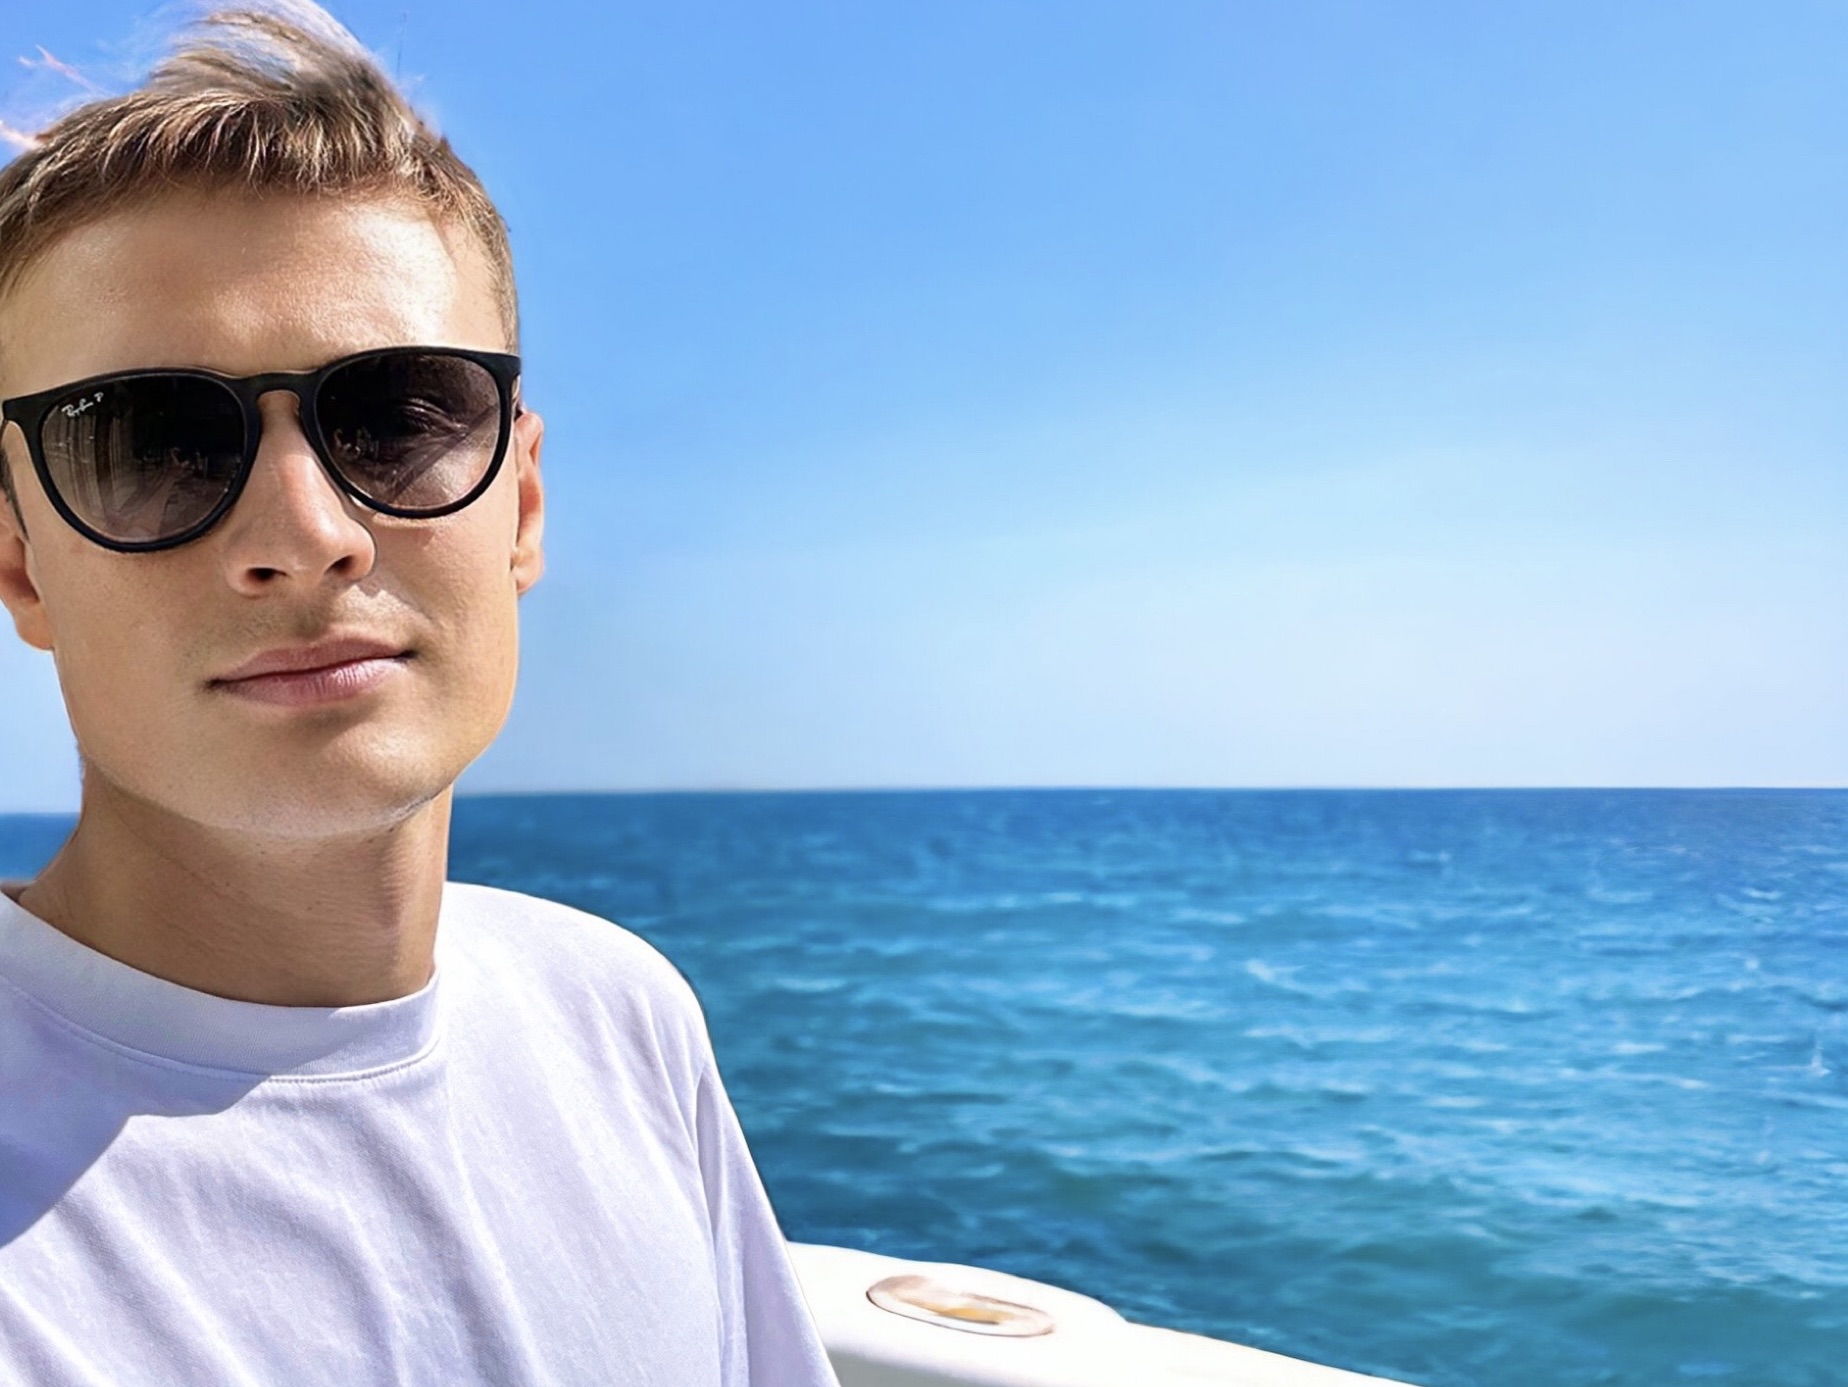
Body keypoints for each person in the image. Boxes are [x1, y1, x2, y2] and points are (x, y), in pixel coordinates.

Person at [0, 6, 841, 1384]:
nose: (305, 532)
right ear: (20, 565)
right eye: (151, 443)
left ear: (522, 506)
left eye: (397, 418)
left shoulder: (617, 1015)